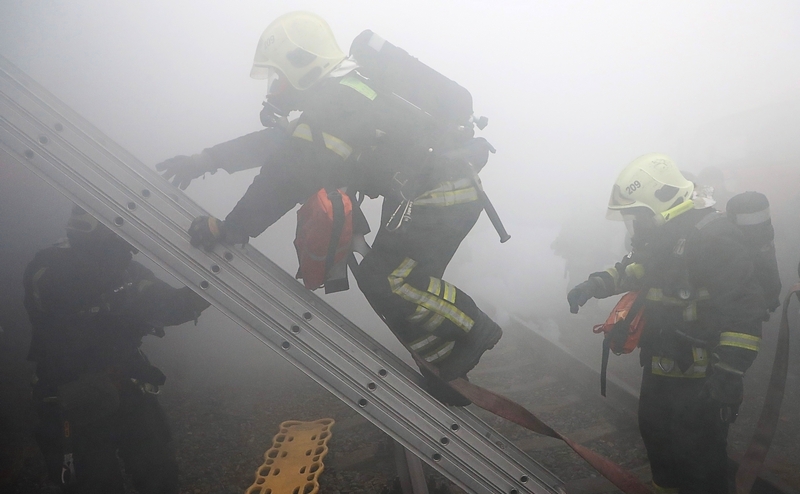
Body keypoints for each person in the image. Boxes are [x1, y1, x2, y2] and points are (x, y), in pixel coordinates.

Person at [156, 12, 502, 405]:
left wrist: (231, 227)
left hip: (440, 193)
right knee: (397, 281)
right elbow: (281, 146)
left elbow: (284, 175)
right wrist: (206, 159)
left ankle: (475, 329)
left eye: (278, 77)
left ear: (303, 66)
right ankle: (447, 372)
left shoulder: (336, 106)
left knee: (390, 280)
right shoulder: (339, 98)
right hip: (436, 190)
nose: (274, 89)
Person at [567, 154, 767, 494]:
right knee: (662, 453)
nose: (635, 226)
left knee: (703, 467)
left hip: (704, 378)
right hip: (660, 370)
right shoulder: (665, 237)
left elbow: (745, 310)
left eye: (639, 216)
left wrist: (730, 373)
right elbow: (636, 268)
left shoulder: (714, 238)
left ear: (661, 206)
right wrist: (595, 284)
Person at [24, 206, 211, 493]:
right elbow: (58, 316)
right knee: (94, 483)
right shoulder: (49, 266)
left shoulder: (127, 269)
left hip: (128, 383)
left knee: (159, 472)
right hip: (72, 395)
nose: (127, 242)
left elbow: (168, 304)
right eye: (116, 231)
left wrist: (208, 285)